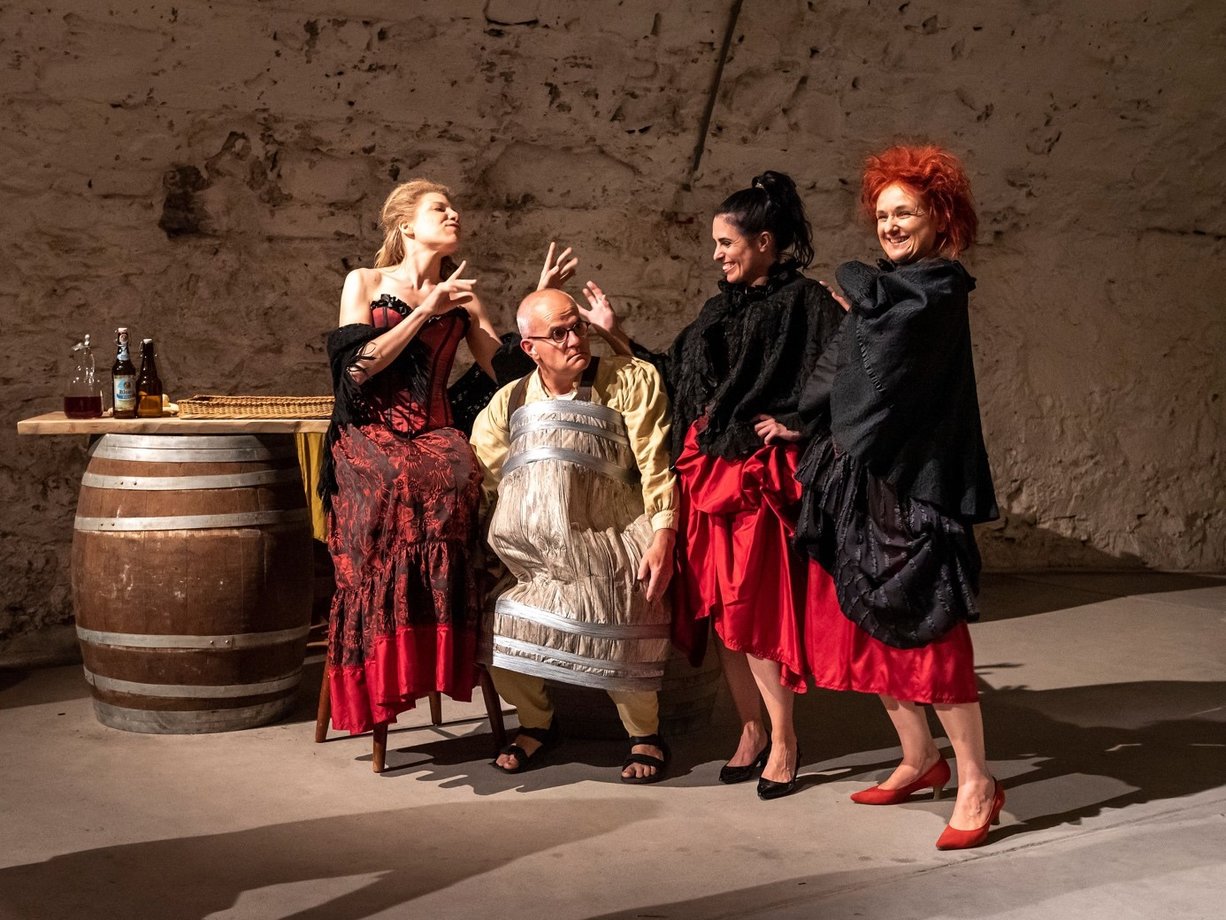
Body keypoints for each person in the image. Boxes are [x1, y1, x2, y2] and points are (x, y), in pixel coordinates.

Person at [583, 171, 845, 798]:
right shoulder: (719, 307)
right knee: (724, 613)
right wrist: (614, 331)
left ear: (763, 242)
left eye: (726, 243)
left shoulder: (805, 301)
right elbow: (676, 375)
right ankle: (750, 730)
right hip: (706, 472)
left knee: (755, 611)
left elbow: (841, 375)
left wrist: (797, 423)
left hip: (755, 479)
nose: (717, 255)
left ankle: (785, 739)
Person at [319, 178, 575, 767]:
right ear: (406, 225)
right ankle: (387, 668)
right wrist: (423, 312)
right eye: (440, 208)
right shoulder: (365, 282)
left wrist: (539, 305)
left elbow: (508, 373)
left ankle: (437, 655)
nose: (454, 213)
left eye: (454, 207)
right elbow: (355, 371)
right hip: (368, 433)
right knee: (398, 482)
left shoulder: (463, 299)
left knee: (459, 476)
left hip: (433, 434)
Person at [791, 144, 1003, 848]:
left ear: (940, 217)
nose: (888, 226)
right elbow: (843, 360)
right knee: (869, 619)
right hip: (866, 476)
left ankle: (976, 780)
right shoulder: (890, 291)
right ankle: (920, 758)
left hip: (914, 485)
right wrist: (795, 418)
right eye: (882, 215)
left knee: (928, 629)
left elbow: (875, 333)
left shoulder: (935, 288)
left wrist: (858, 295)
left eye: (904, 212)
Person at [470, 288, 677, 783]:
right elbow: (485, 478)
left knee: (620, 611)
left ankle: (645, 734)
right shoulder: (509, 401)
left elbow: (656, 463)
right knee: (497, 632)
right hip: (534, 560)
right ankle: (537, 723)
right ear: (530, 348)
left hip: (612, 540)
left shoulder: (628, 378)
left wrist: (663, 534)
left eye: (577, 327)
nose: (574, 339)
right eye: (558, 333)